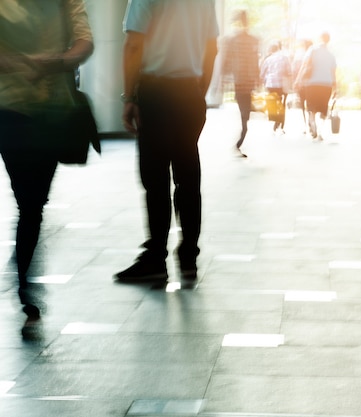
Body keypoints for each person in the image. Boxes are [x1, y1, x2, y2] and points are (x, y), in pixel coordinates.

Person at [0, 0, 94, 332]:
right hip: (9, 108)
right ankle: (25, 277)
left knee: (33, 203)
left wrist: (54, 62)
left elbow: (85, 41)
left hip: (53, 111)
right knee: (28, 201)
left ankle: (24, 268)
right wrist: (12, 62)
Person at [115, 0, 218, 283]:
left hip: (156, 93)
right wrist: (200, 90)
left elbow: (134, 44)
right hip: (190, 94)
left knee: (155, 179)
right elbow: (212, 48)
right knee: (188, 176)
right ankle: (188, 258)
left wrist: (129, 98)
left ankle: (155, 259)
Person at [221, 9, 259, 157]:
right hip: (245, 83)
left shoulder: (233, 40)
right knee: (245, 115)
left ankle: (239, 142)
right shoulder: (250, 40)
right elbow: (254, 62)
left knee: (245, 114)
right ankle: (239, 143)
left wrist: (223, 79)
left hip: (242, 82)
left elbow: (227, 61)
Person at [294, 32, 336, 141]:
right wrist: (335, 88)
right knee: (323, 109)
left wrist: (298, 80)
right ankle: (320, 132)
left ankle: (313, 125)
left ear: (320, 38)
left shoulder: (312, 50)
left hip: (312, 84)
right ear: (328, 40)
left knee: (311, 108)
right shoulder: (331, 55)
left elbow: (304, 65)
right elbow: (333, 73)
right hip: (326, 84)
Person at [261, 41, 291, 134]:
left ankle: (275, 120)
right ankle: (281, 124)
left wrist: (263, 82)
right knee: (282, 104)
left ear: (271, 50)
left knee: (272, 103)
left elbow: (262, 74)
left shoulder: (268, 59)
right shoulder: (285, 58)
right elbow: (289, 72)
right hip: (282, 84)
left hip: (271, 84)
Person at [291, 38, 313, 134]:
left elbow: (294, 70)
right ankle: (310, 122)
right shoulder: (314, 56)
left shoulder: (299, 57)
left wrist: (295, 82)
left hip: (301, 84)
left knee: (303, 105)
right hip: (311, 84)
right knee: (310, 104)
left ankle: (305, 124)